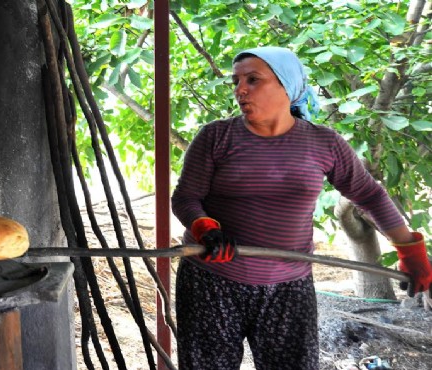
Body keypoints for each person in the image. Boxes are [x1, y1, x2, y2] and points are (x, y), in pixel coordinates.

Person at [171, 46, 432, 370]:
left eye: (253, 80)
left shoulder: (325, 143)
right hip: (212, 282)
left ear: (286, 86)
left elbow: (370, 195)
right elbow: (185, 197)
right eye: (236, 81)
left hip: (289, 288)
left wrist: (410, 250)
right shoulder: (215, 137)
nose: (240, 89)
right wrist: (204, 229)